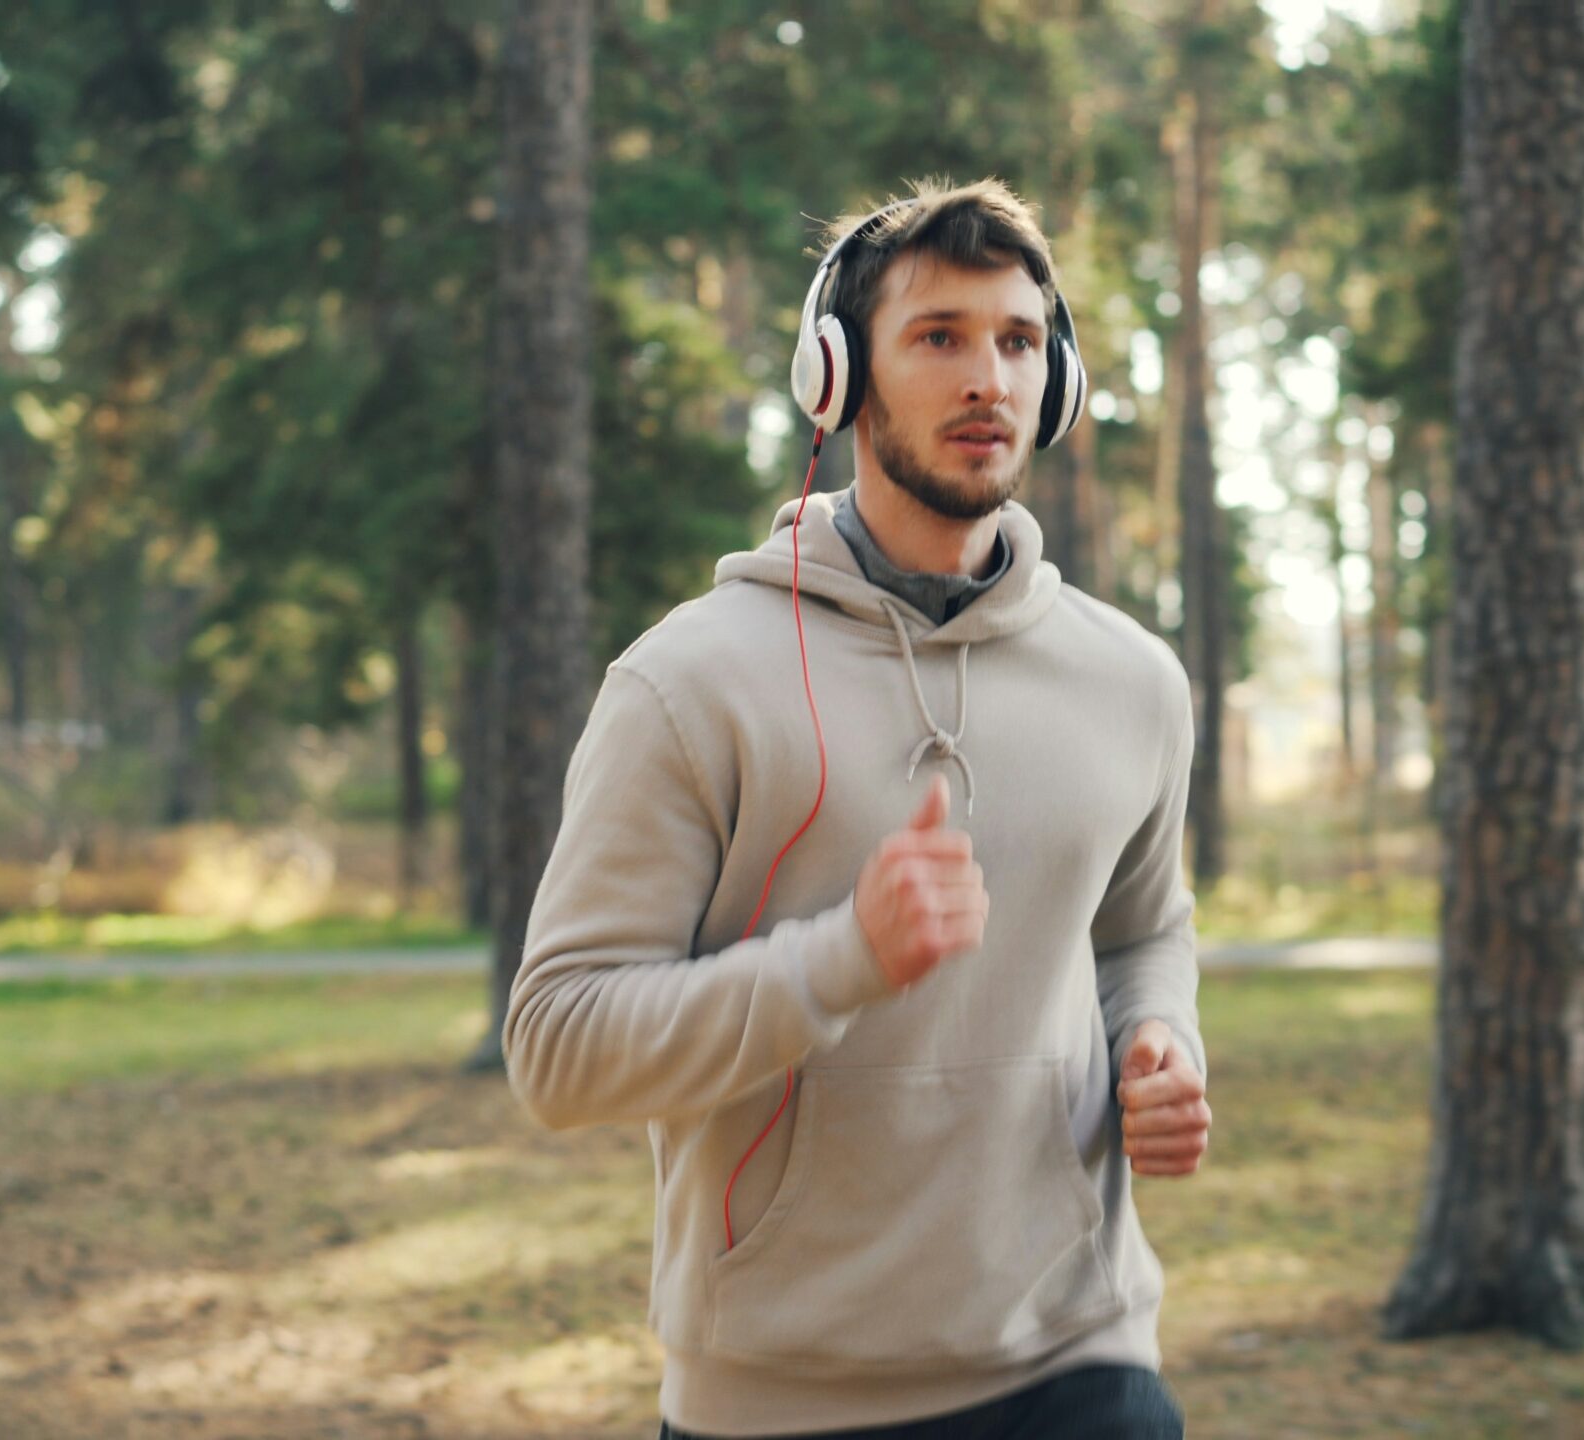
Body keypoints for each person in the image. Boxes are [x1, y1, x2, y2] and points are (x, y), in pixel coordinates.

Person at [503, 176, 1212, 1439]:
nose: (986, 377)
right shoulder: (686, 682)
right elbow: (559, 1048)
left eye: (1017, 341)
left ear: (1058, 384)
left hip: (1082, 1360)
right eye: (937, 337)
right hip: (781, 1398)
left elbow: (1143, 931)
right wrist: (838, 962)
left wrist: (1158, 1041)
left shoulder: (1134, 682)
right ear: (836, 378)